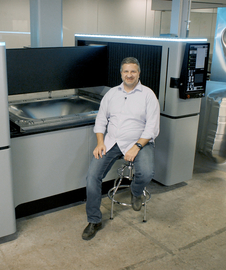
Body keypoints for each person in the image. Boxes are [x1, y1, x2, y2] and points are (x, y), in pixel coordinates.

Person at [82, 57, 160, 241]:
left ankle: (136, 191)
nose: (129, 75)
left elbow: (152, 127)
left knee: (147, 173)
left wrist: (137, 146)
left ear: (139, 73)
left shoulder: (148, 95)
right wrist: (100, 142)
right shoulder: (111, 94)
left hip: (140, 142)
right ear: (121, 73)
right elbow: (101, 120)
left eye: (133, 71)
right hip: (112, 142)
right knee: (92, 176)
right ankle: (94, 220)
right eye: (126, 71)